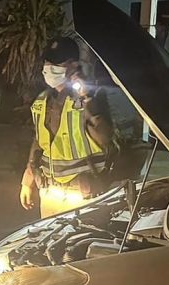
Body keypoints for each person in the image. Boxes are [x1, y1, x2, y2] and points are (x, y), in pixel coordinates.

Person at [20, 37, 114, 218]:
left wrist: (87, 99)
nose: (49, 67)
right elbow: (39, 141)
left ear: (74, 65)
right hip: (50, 195)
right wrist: (27, 180)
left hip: (81, 198)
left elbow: (105, 138)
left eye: (57, 63)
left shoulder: (90, 98)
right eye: (48, 62)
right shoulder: (42, 101)